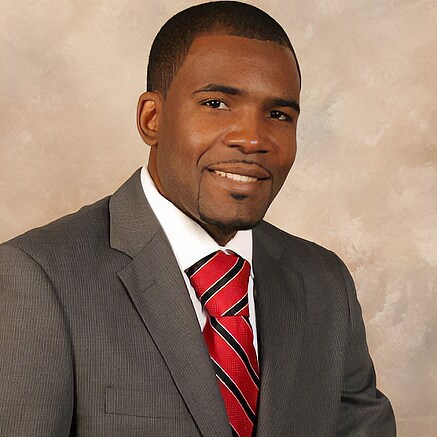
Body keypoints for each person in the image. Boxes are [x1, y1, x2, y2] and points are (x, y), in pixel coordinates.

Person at [0, 1, 396, 436]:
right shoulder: (37, 277)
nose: (253, 139)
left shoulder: (324, 283)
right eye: (216, 103)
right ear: (152, 119)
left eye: (278, 114)